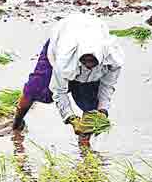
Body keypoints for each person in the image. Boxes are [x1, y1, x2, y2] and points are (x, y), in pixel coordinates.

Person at [11, 13, 124, 147]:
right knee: (37, 89)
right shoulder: (64, 57)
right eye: (85, 61)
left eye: (92, 62)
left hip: (91, 30)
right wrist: (70, 118)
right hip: (62, 38)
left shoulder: (112, 59)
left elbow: (106, 87)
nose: (88, 65)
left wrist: (102, 111)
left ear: (100, 58)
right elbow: (59, 91)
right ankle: (16, 124)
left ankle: (85, 148)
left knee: (91, 106)